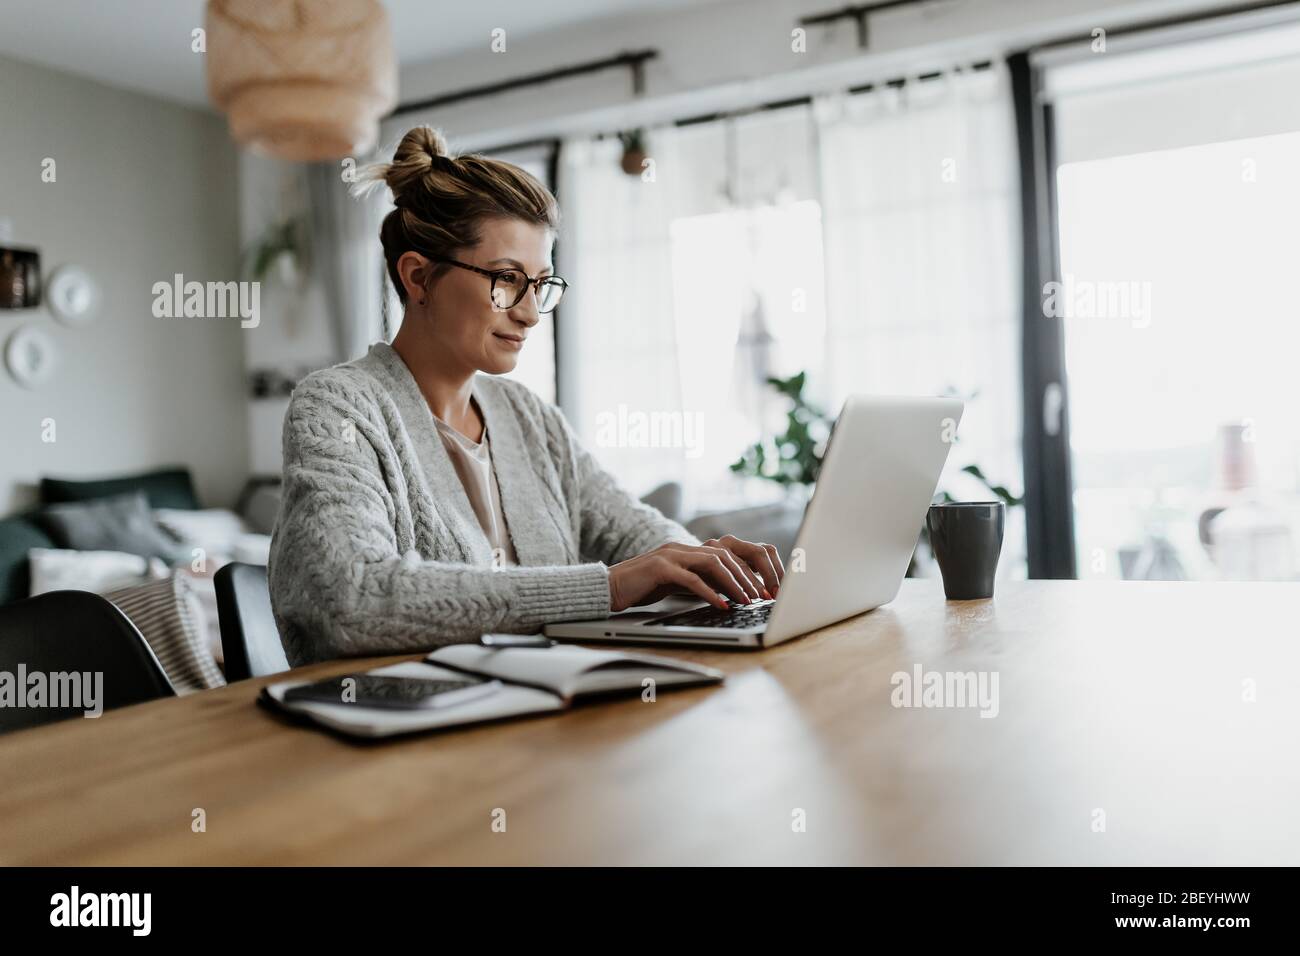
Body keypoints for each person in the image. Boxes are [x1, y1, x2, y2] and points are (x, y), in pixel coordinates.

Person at [268, 126, 783, 666]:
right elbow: (352, 597)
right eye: (507, 279)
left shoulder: (528, 417)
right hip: (401, 732)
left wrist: (704, 565)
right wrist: (606, 589)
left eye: (540, 284)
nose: (531, 313)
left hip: (542, 713)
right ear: (419, 278)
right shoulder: (338, 406)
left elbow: (633, 532)